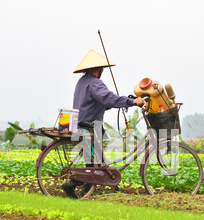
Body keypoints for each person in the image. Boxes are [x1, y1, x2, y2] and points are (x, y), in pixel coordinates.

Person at [62, 49, 145, 199]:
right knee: (94, 162)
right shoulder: (95, 83)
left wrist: (120, 102)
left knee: (95, 161)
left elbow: (98, 102)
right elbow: (108, 98)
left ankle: (93, 190)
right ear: (99, 69)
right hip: (89, 126)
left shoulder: (82, 82)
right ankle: (71, 184)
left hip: (81, 125)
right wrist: (132, 101)